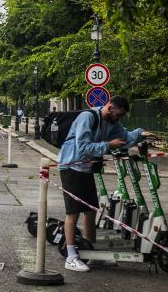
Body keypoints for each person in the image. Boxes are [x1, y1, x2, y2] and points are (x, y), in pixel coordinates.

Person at [57, 96, 152, 272]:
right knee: (73, 212)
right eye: (118, 114)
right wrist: (108, 145)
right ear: (109, 108)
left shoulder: (112, 122)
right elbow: (83, 147)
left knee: (90, 210)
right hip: (71, 166)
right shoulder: (87, 118)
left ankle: (91, 254)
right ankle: (71, 257)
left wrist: (140, 134)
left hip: (86, 168)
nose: (119, 118)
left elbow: (125, 138)